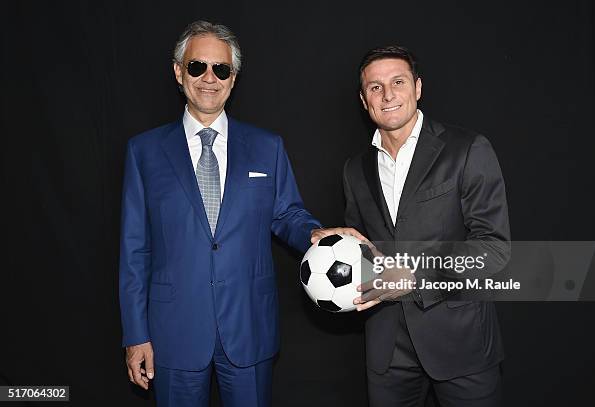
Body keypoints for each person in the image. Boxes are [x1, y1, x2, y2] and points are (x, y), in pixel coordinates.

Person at [118, 20, 361, 407]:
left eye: (222, 69)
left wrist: (317, 235)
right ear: (179, 72)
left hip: (249, 326)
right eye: (198, 66)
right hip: (173, 332)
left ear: (233, 79)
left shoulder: (267, 147)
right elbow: (134, 251)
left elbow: (287, 214)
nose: (209, 78)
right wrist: (135, 334)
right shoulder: (143, 152)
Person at [344, 46, 511, 406]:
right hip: (388, 351)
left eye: (398, 82)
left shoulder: (467, 149)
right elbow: (363, 252)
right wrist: (335, 249)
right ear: (364, 99)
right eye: (375, 87)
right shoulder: (354, 170)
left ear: (418, 88)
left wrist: (416, 276)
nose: (387, 95)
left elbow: (494, 250)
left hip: (461, 344)